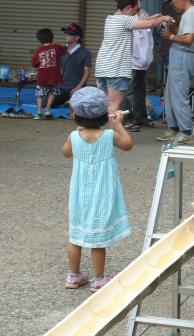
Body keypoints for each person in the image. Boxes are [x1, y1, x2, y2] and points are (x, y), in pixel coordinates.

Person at [62, 87, 133, 292]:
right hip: (102, 193)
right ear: (104, 115)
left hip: (79, 195)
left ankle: (74, 276)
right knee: (97, 240)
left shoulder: (74, 138)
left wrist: (76, 131)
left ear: (76, 115)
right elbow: (128, 144)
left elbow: (65, 153)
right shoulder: (109, 136)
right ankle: (98, 279)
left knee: (75, 236)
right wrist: (119, 124)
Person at [95, 0, 173, 112]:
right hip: (115, 70)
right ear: (129, 7)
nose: (136, 14)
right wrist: (164, 18)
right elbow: (149, 24)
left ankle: (95, 130)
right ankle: (114, 131)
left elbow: (143, 21)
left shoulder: (110, 18)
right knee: (114, 107)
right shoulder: (124, 19)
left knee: (105, 105)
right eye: (135, 10)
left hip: (102, 67)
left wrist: (153, 17)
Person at [157, 0, 194, 144]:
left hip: (184, 55)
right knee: (171, 93)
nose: (172, 5)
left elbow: (188, 39)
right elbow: (185, 34)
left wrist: (170, 36)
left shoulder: (191, 14)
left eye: (173, 2)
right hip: (181, 55)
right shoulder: (190, 14)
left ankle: (186, 131)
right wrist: (175, 29)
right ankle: (174, 128)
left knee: (178, 94)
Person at [121, 0, 155, 132]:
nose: (140, 2)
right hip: (131, 60)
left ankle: (141, 117)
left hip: (143, 60)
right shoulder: (126, 16)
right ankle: (127, 119)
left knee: (141, 90)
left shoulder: (144, 14)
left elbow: (149, 39)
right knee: (129, 92)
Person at [43, 23, 91, 109]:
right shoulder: (61, 51)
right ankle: (66, 100)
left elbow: (87, 73)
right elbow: (58, 70)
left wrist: (78, 88)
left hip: (77, 88)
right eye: (65, 33)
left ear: (77, 38)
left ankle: (71, 101)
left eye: (69, 34)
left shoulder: (85, 53)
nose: (66, 36)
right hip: (63, 87)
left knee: (76, 107)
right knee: (45, 103)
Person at [31, 28, 66, 119]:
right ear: (52, 38)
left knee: (40, 94)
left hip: (42, 77)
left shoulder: (39, 50)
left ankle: (39, 111)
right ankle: (48, 109)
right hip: (54, 76)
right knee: (53, 92)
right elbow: (65, 49)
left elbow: (34, 64)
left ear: (39, 40)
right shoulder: (57, 48)